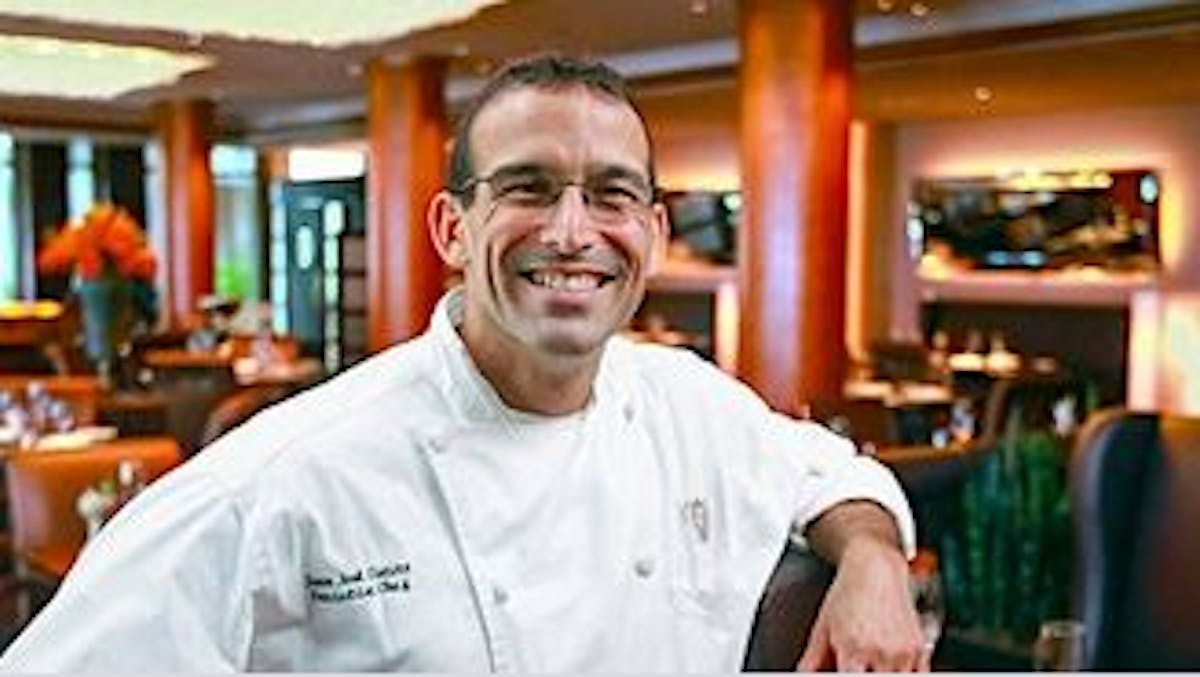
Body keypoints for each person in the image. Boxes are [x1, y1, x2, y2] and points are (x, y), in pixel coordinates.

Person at [0, 55, 927, 672]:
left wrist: (874, 563)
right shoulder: (291, 472)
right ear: (453, 228)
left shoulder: (687, 401)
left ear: (652, 232)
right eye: (527, 187)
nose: (572, 232)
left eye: (611, 195)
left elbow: (833, 473)